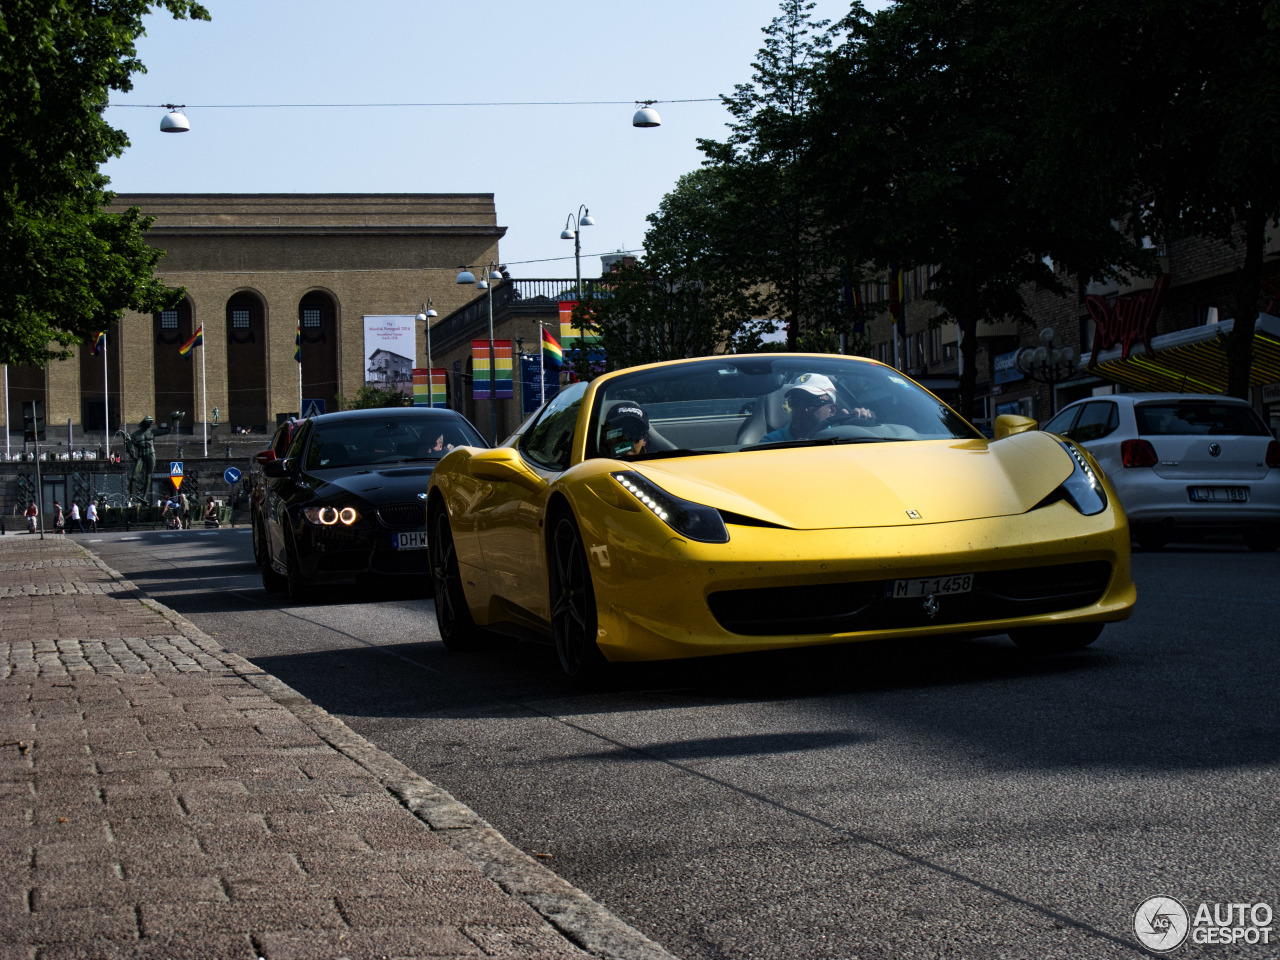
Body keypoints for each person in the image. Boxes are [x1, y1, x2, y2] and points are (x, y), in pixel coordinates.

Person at [758, 373, 874, 444]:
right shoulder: (772, 442)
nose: (802, 409)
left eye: (811, 401)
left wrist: (865, 426)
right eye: (795, 402)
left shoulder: (845, 435)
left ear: (832, 409)